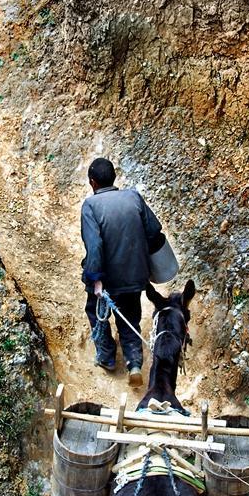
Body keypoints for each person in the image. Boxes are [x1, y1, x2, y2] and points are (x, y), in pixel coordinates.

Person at [80, 157, 164, 386]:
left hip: (108, 278)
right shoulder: (133, 197)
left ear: (92, 182)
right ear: (114, 177)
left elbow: (94, 246)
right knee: (130, 317)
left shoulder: (90, 206)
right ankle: (134, 364)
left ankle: (107, 357)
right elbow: (154, 232)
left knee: (95, 312)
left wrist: (96, 280)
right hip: (135, 275)